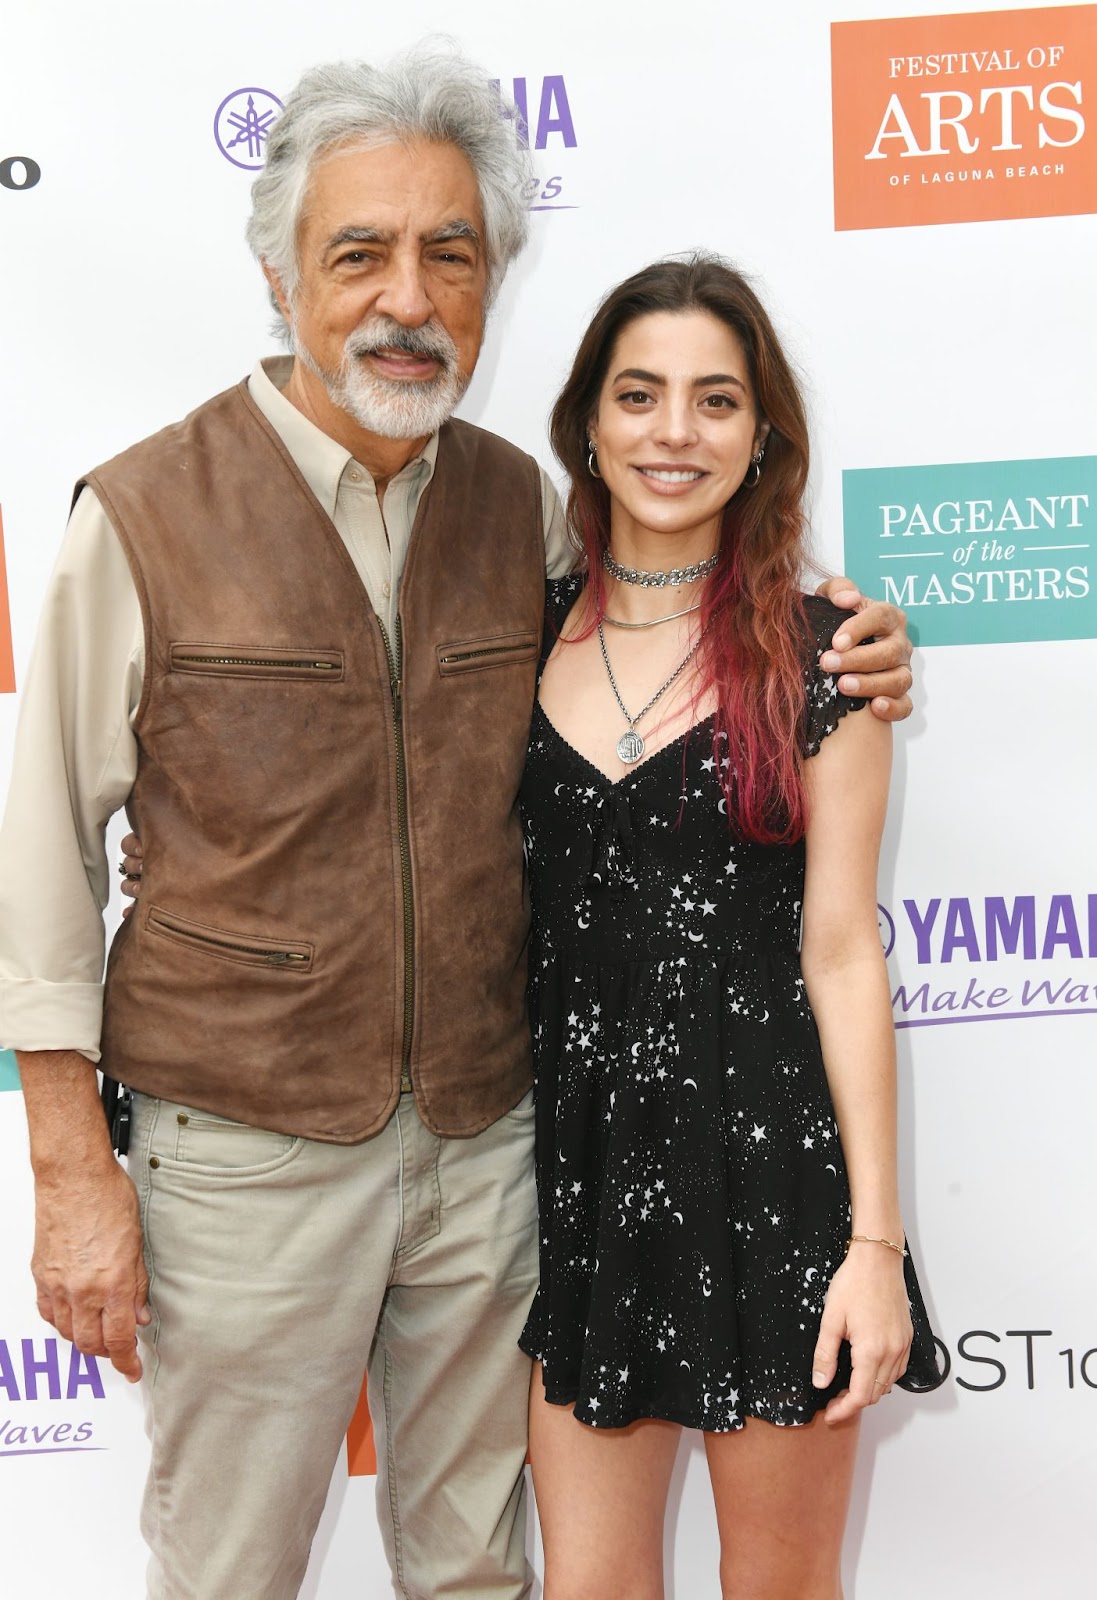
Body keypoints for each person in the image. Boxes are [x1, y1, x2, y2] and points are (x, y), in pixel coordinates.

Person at [0, 46, 915, 1600]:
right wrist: (73, 1175)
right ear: (282, 274)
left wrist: (844, 634)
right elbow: (35, 869)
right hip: (242, 1155)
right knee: (227, 1570)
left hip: (496, 1155)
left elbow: (688, 607)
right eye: (357, 252)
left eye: (451, 253)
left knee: (482, 1573)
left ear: (493, 285)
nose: (404, 298)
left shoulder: (519, 512)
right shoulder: (143, 513)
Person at [517, 256, 942, 1600]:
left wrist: (874, 1249)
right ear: (587, 419)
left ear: (762, 435)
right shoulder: (509, 635)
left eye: (714, 400)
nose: (672, 433)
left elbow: (840, 951)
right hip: (576, 1195)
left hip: (775, 1197)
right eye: (638, 396)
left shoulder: (826, 659)